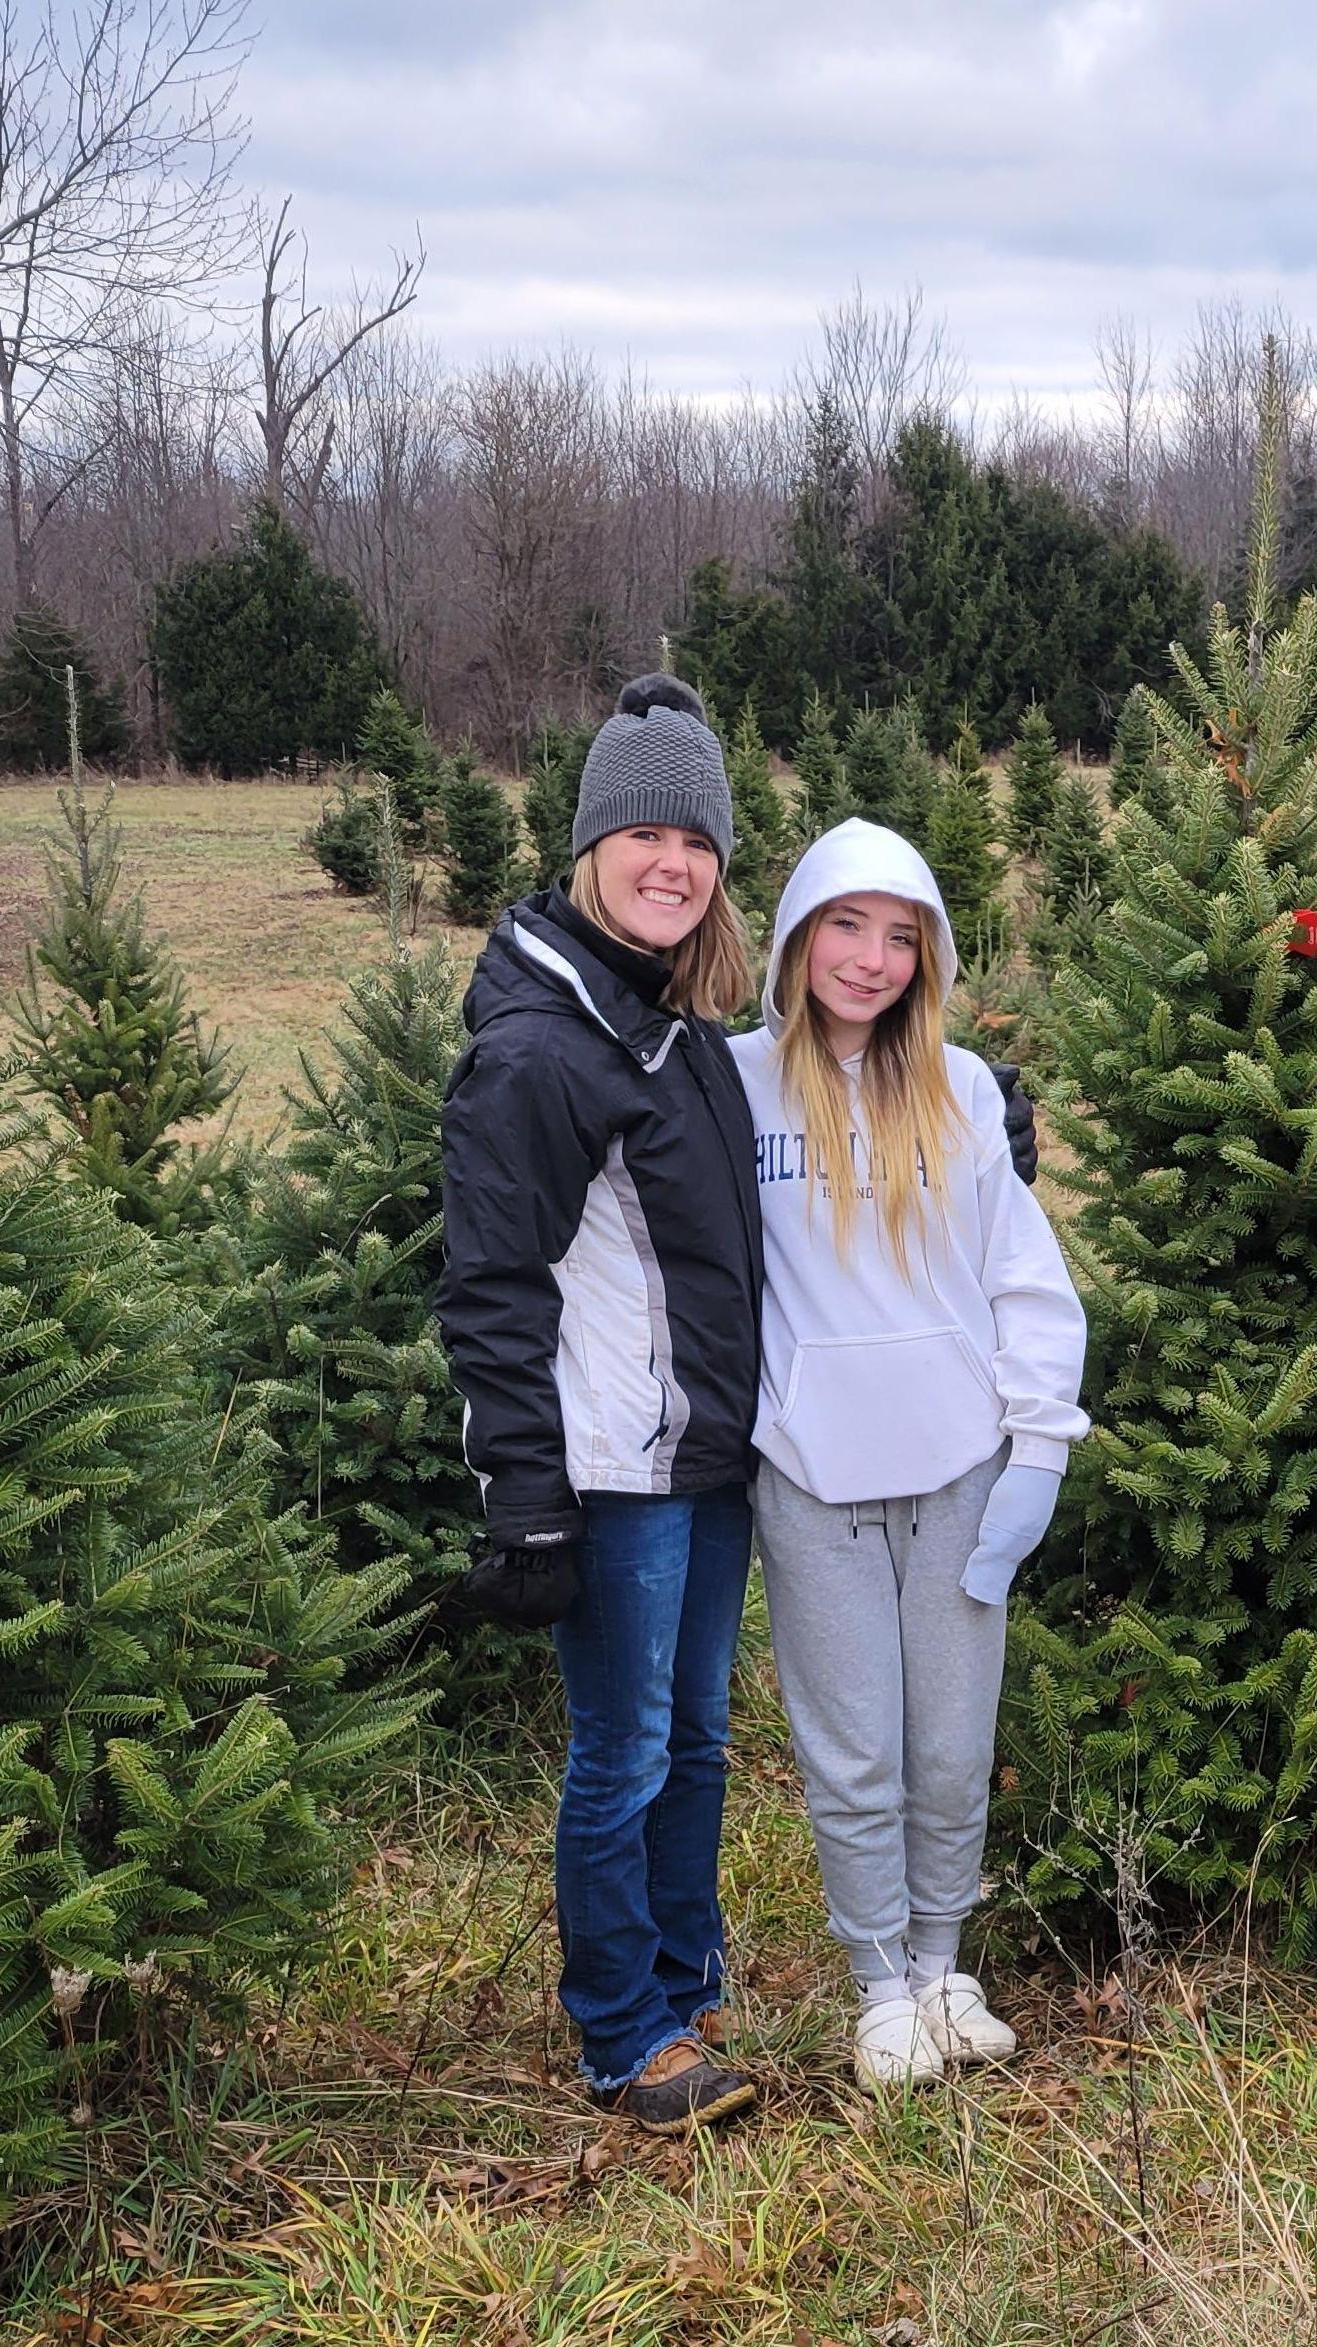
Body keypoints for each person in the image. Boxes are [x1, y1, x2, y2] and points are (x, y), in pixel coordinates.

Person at [437, 674, 766, 2134]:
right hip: (611, 1473)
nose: (669, 863)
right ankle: (621, 2031)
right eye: (641, 833)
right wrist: (522, 1495)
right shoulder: (541, 1046)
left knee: (695, 1738)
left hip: (704, 1461)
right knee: (623, 1749)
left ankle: (685, 1985)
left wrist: (970, 1096)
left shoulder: (665, 1022)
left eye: (693, 839)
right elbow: (489, 1287)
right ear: (589, 849)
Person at [733, 820, 1087, 2088]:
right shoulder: (735, 1084)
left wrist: (1037, 1447)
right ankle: (879, 1979)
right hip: (811, 1475)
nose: (872, 960)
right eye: (847, 926)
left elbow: (1021, 1275)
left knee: (948, 1738)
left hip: (958, 1470)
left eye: (902, 937)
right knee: (856, 1747)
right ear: (796, 936)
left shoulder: (966, 1090)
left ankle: (944, 1963)